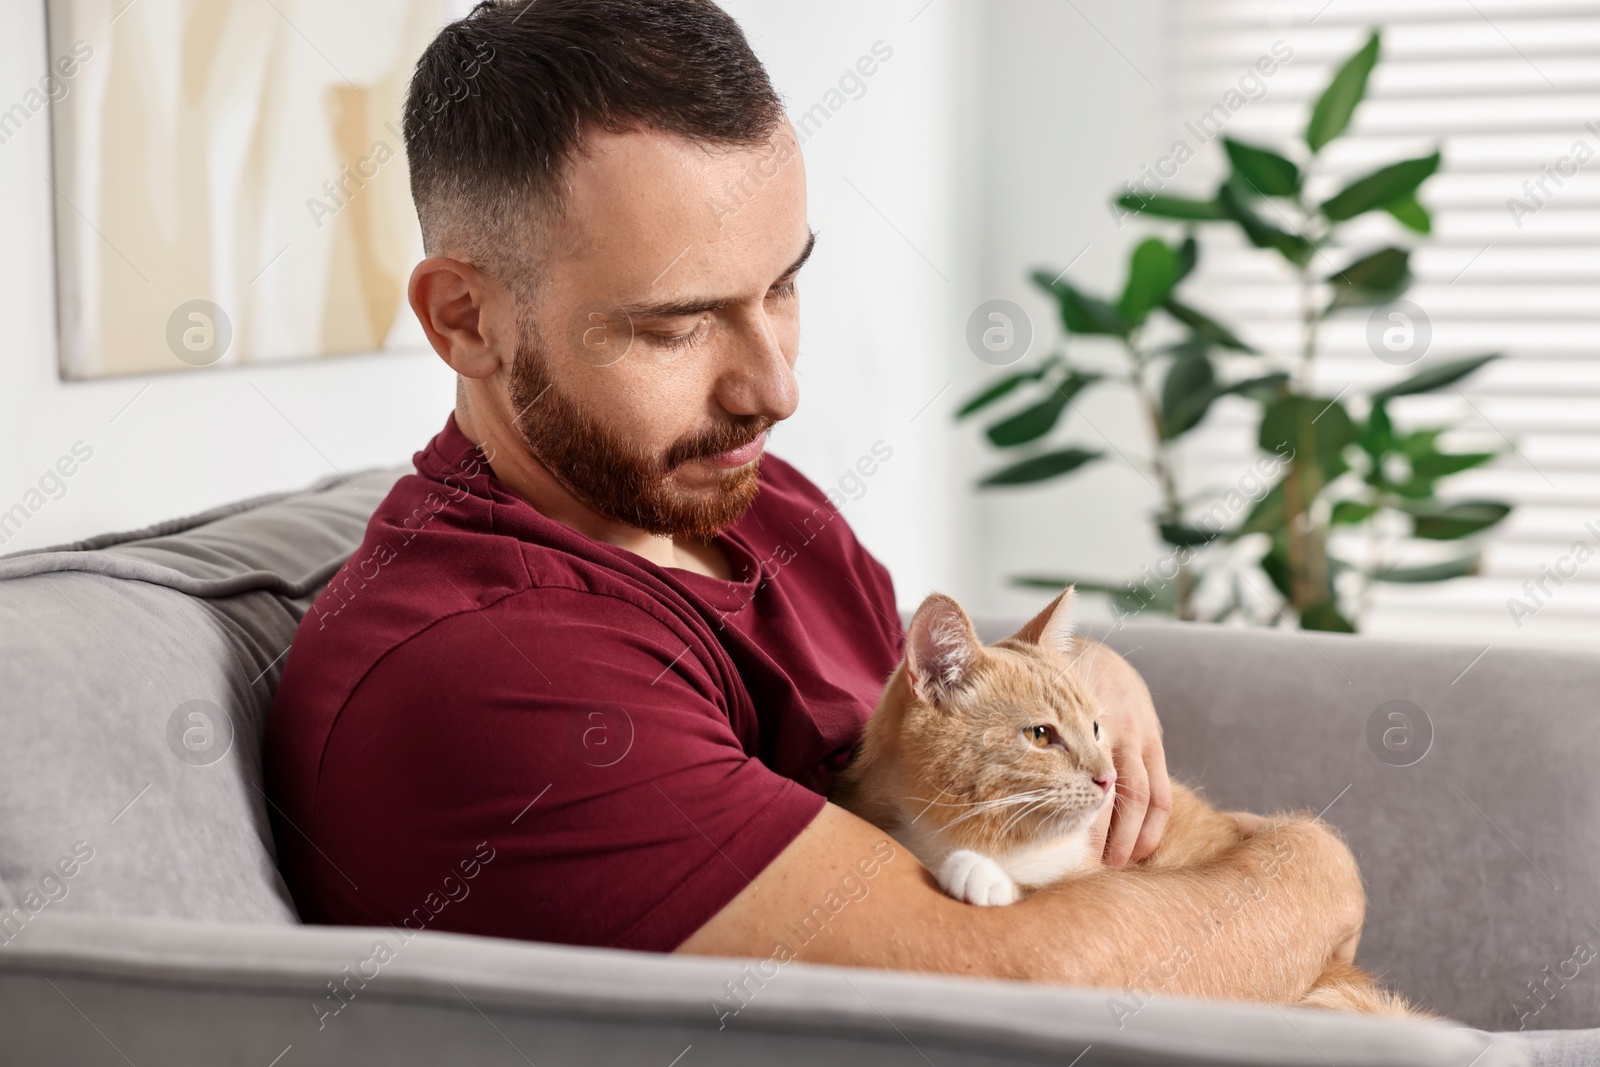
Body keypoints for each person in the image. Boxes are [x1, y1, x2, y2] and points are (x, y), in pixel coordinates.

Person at [265, 2, 1588, 1058]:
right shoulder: (485, 666)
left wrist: (1077, 680)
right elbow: (1012, 996)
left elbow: (932, 737)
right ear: (465, 321)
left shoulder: (747, 501)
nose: (774, 385)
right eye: (675, 324)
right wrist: (1309, 877)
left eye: (784, 288)